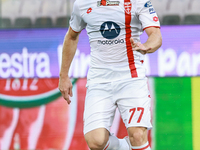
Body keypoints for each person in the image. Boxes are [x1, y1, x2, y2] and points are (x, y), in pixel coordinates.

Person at [59, 0, 162, 149]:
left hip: (131, 78)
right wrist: (63, 76)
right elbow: (71, 36)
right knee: (96, 142)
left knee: (138, 135)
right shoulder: (82, 4)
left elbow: (156, 34)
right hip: (99, 81)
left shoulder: (138, 1)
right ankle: (125, 147)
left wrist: (146, 45)